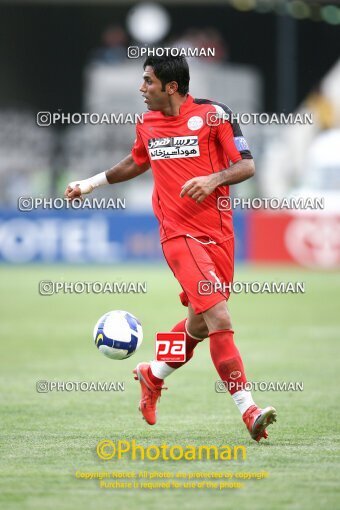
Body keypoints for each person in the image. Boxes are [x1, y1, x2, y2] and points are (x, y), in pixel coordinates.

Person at [64, 55, 277, 442]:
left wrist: (213, 179)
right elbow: (136, 161)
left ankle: (154, 372)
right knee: (220, 319)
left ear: (171, 87)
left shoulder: (215, 115)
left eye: (148, 81)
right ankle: (248, 410)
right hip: (179, 236)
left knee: (199, 322)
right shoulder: (146, 123)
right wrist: (90, 184)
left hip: (221, 237)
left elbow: (246, 165)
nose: (141, 89)